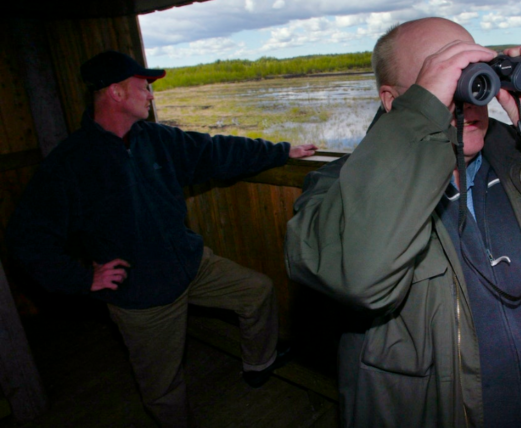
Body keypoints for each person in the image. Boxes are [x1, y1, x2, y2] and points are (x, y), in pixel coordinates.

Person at [284, 17, 521, 427]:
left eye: (474, 75)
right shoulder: (339, 191)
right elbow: (360, 276)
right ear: (394, 101)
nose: (468, 98)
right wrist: (421, 122)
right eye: (443, 80)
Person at [6, 50, 317, 427]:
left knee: (258, 291)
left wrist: (282, 151)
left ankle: (258, 363)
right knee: (163, 387)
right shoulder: (70, 164)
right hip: (142, 294)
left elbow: (214, 151)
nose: (151, 95)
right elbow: (26, 239)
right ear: (116, 93)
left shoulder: (156, 139)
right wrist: (82, 277)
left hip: (190, 263)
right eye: (144, 87)